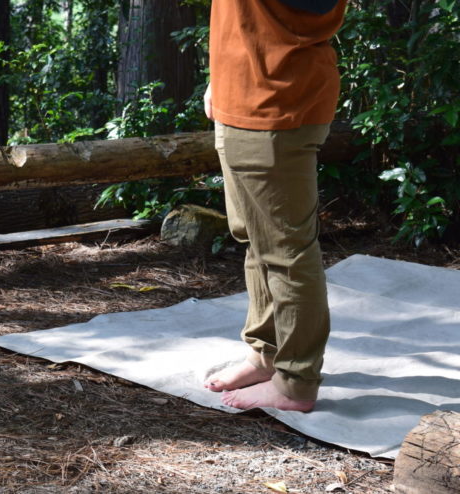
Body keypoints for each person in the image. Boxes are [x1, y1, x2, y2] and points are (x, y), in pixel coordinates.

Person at [202, 0, 347, 412]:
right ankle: (267, 353)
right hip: (243, 92)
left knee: (287, 252)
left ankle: (296, 382)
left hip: (275, 99)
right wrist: (222, 76)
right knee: (254, 238)